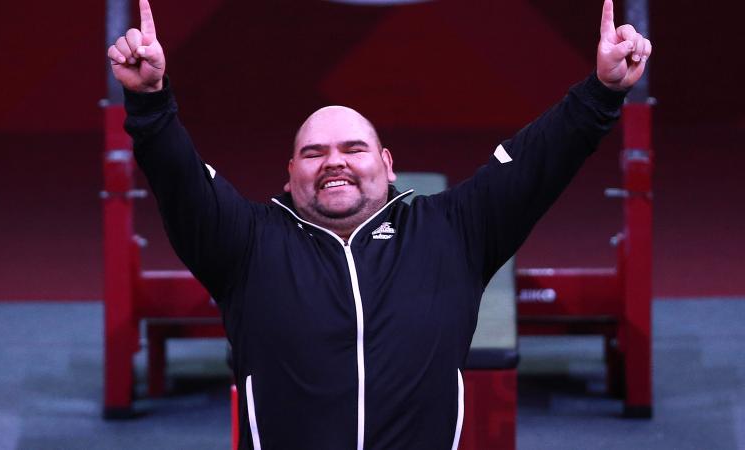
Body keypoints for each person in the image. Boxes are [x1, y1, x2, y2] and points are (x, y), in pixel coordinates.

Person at [108, 0, 651, 448]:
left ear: (388, 164)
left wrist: (601, 93)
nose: (334, 162)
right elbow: (181, 182)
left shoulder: (452, 233)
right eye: (314, 153)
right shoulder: (247, 246)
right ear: (291, 173)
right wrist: (150, 103)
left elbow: (536, 162)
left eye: (353, 148)